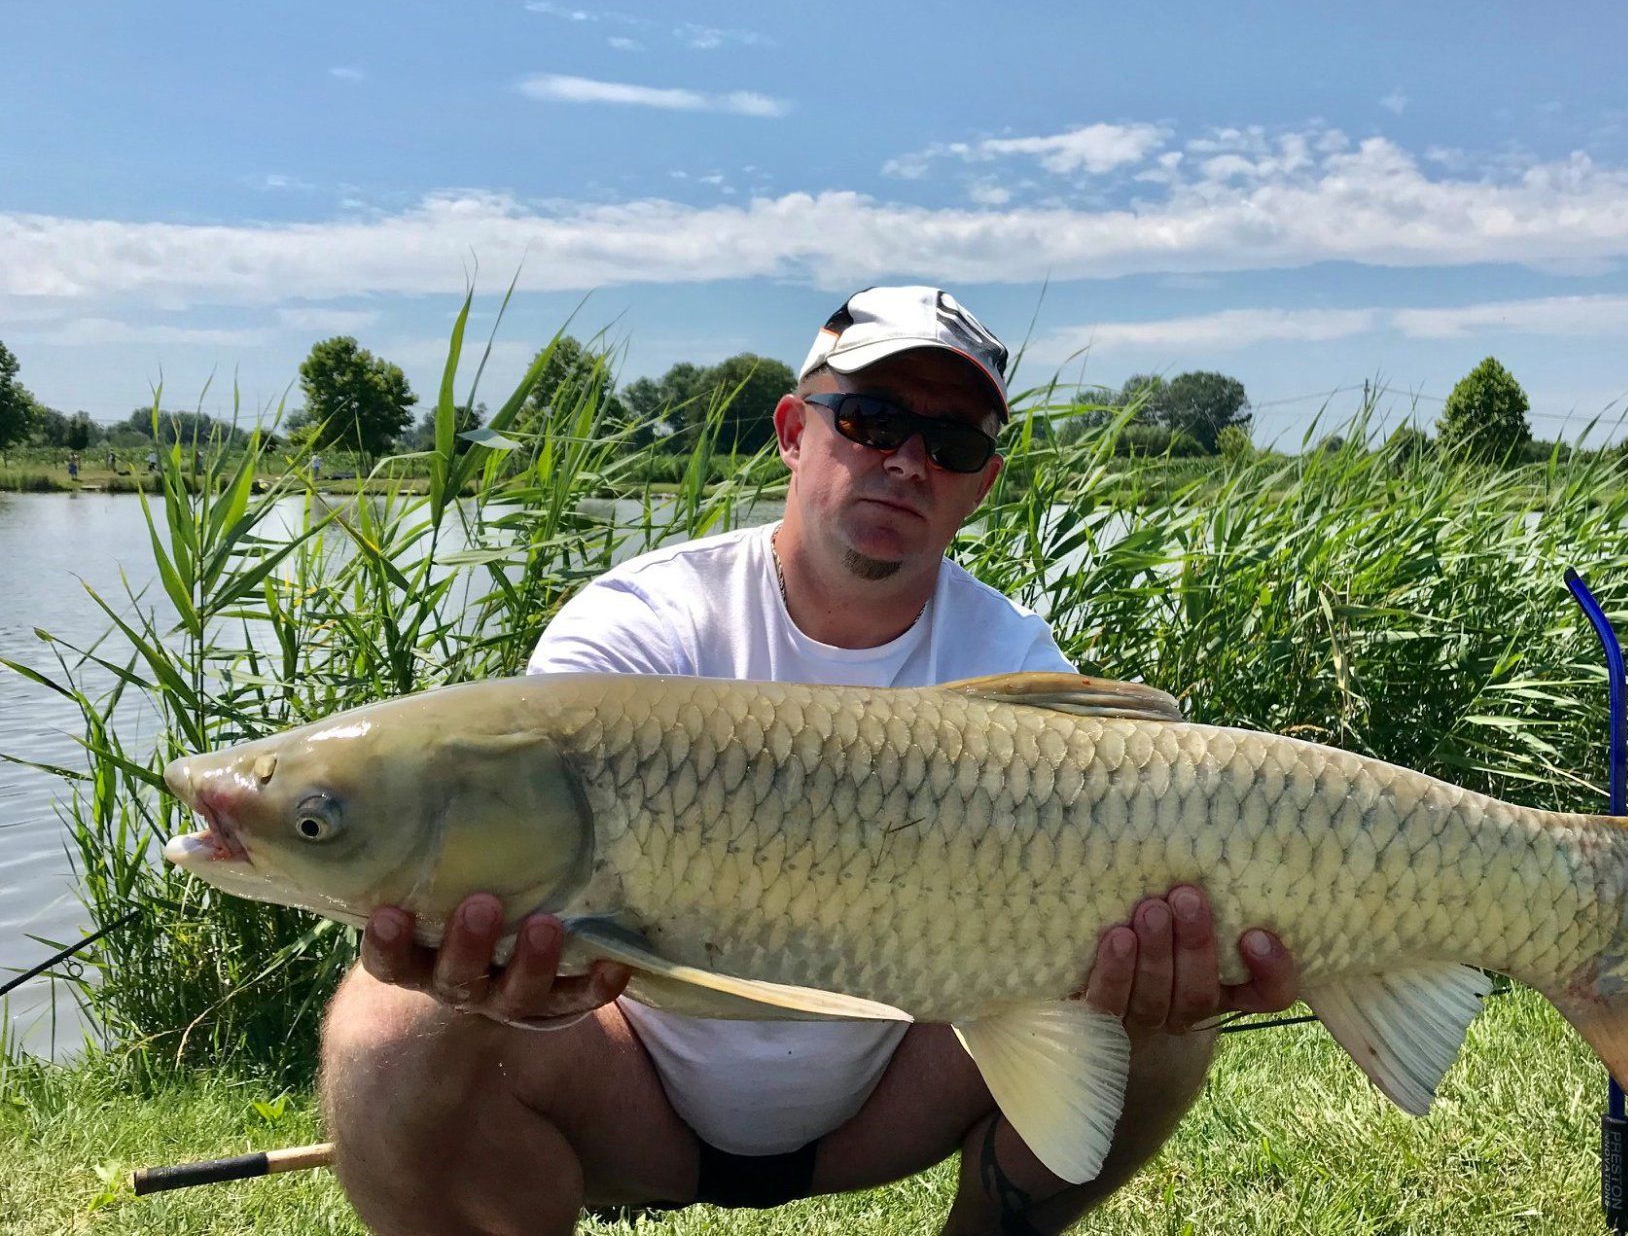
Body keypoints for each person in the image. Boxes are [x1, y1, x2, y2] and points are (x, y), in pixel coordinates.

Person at [321, 287, 1299, 1236]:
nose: (908, 462)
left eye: (952, 443)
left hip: (895, 1092)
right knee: (386, 1022)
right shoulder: (641, 628)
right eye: (872, 419)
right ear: (794, 430)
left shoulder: (1016, 661)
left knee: (1156, 999)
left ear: (982, 483)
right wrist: (497, 977)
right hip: (629, 1082)